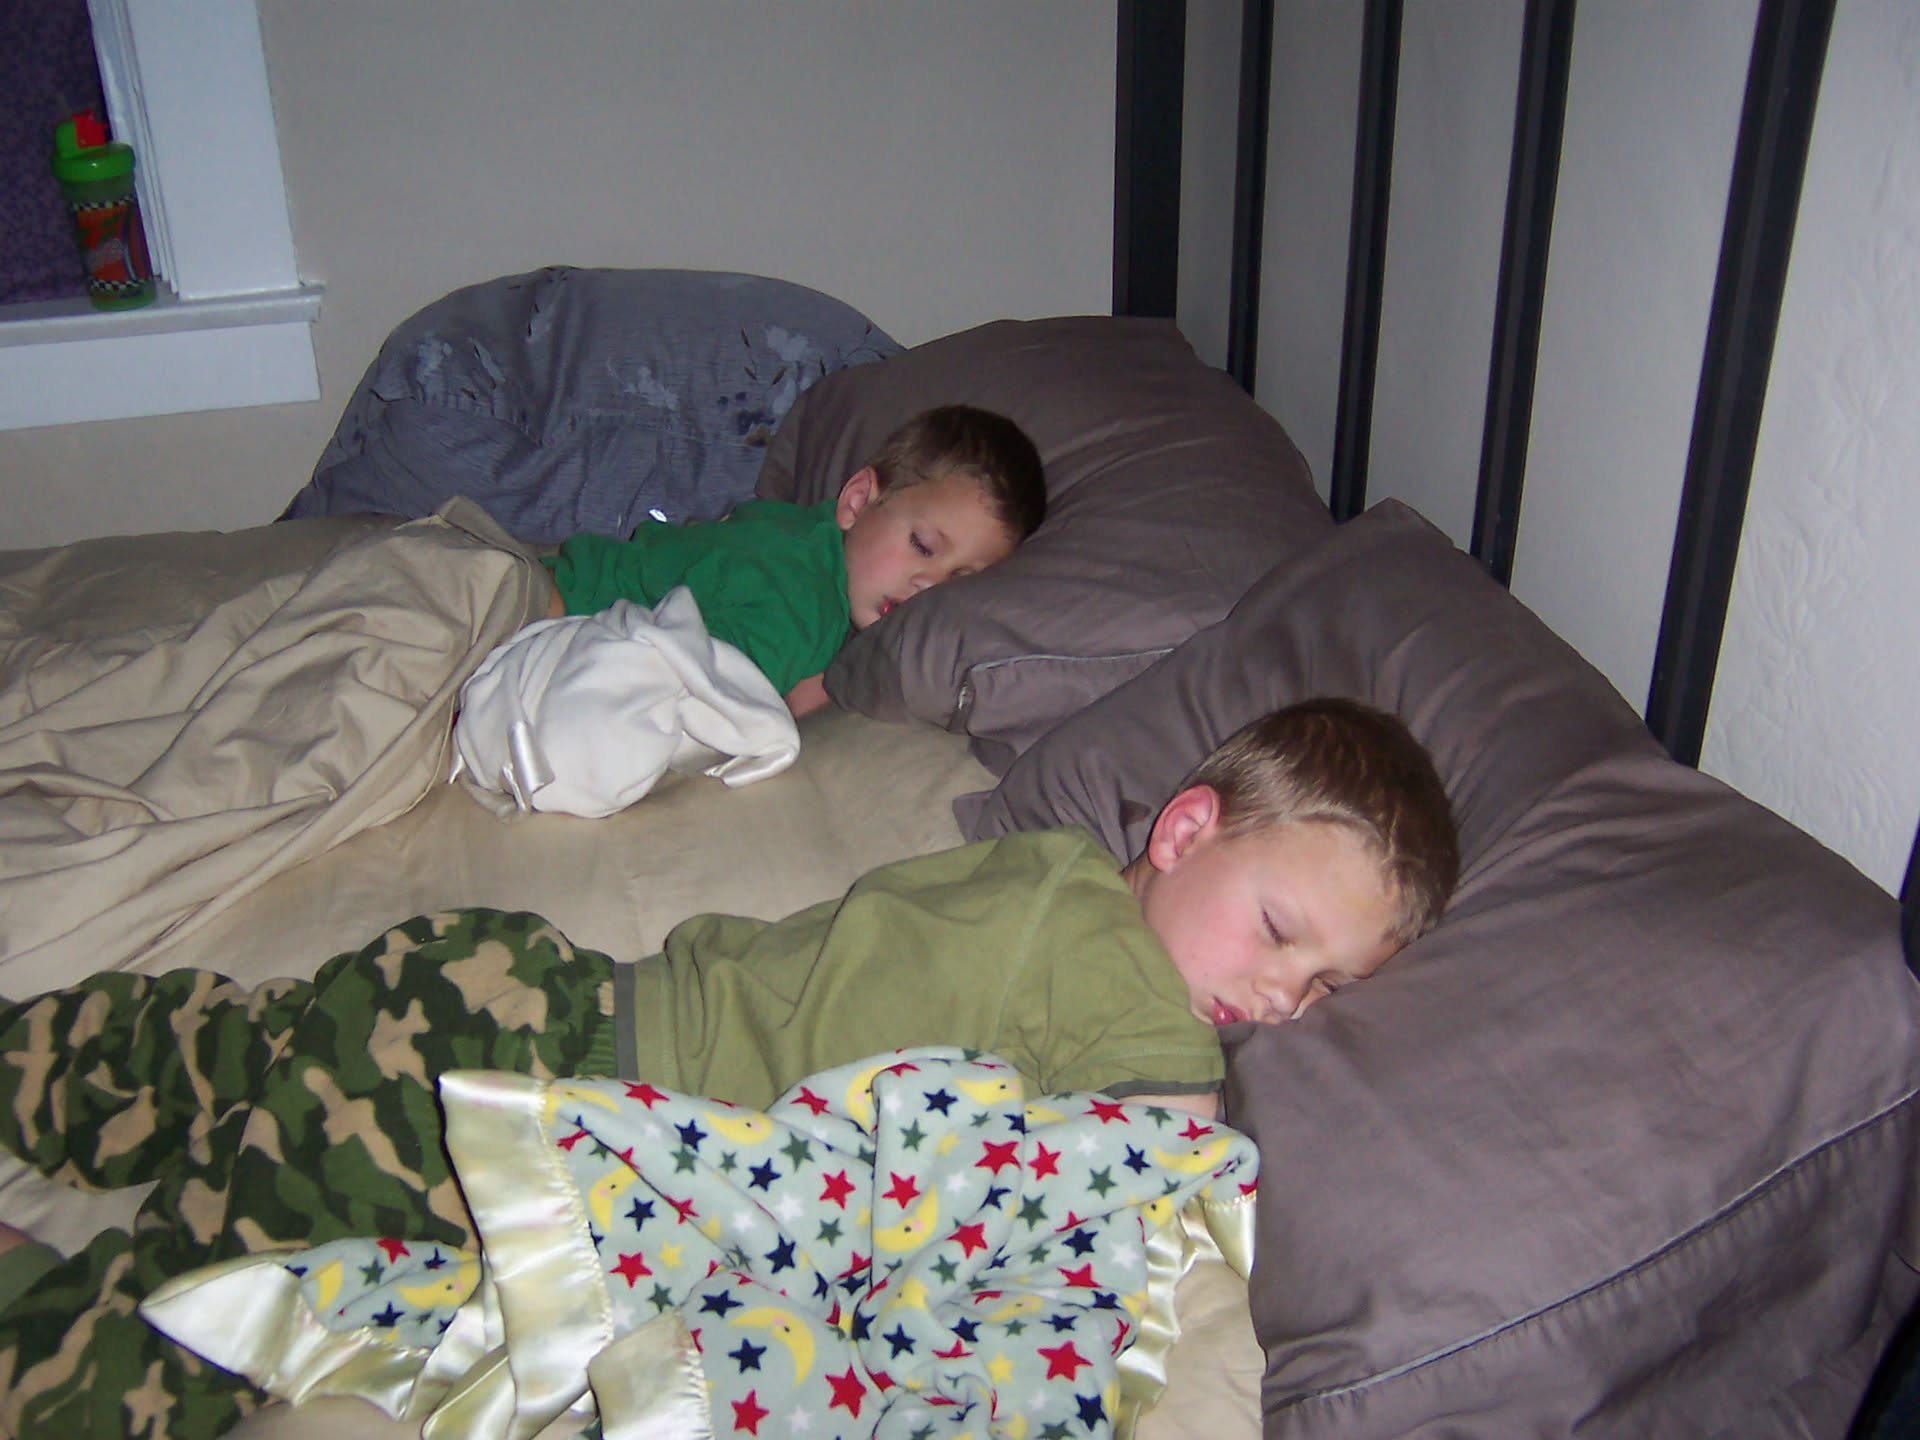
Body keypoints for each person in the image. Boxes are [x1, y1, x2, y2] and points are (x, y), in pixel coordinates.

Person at [0, 697, 1456, 1438]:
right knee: (198, 1326)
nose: (1277, 1002)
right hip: (521, 1099)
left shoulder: (1047, 874)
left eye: (1323, 989)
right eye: (1280, 936)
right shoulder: (1124, 977)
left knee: (207, 1052)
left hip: (508, 987)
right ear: (1185, 832)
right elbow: (1167, 1151)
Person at [543, 403, 1047, 716]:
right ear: (857, 501)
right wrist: (794, 700)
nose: (928, 584)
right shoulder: (803, 601)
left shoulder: (799, 531)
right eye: (923, 546)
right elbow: (700, 693)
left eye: (958, 581)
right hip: (544, 615)